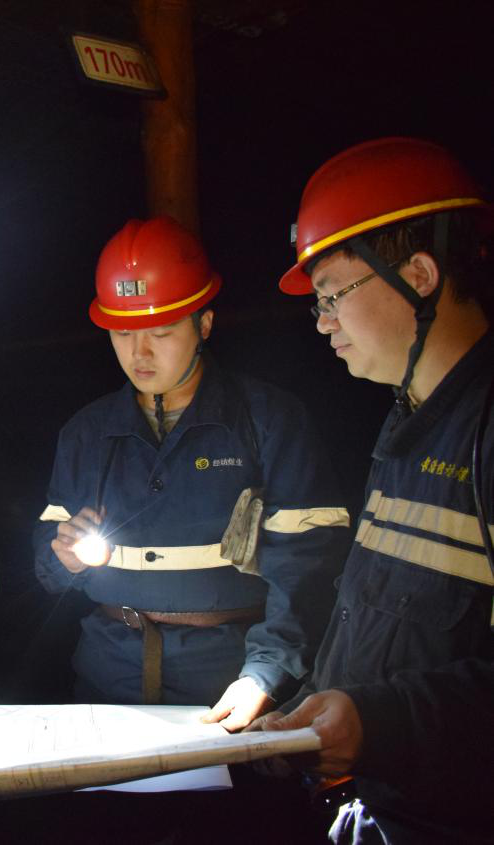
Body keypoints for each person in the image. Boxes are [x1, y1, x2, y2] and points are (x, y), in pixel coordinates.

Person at [255, 137, 494, 843]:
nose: (323, 321)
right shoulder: (407, 424)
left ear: (419, 274)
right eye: (317, 304)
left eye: (333, 294)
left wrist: (378, 722)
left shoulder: (482, 431)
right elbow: (379, 615)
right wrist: (310, 705)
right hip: (380, 809)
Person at [33, 216, 350, 727]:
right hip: (106, 687)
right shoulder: (85, 434)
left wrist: (265, 675)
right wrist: (62, 558)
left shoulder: (269, 421)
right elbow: (46, 564)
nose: (139, 353)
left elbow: (308, 570)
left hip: (227, 691)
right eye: (122, 332)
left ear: (203, 325)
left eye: (160, 332)